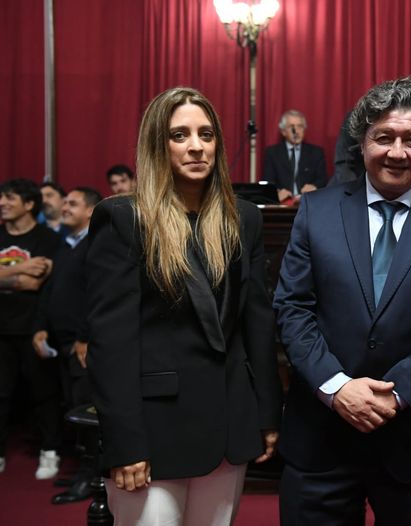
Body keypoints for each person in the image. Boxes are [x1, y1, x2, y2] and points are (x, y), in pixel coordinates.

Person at [274, 76, 411, 526]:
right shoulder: (316, 212)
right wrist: (336, 386)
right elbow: (293, 308)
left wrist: (399, 393)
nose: (396, 152)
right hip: (322, 439)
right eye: (383, 137)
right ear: (362, 141)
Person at [85, 87, 282, 525]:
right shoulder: (124, 219)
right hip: (153, 431)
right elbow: (111, 344)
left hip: (229, 423)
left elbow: (257, 322)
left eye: (206, 134)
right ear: (158, 145)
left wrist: (266, 413)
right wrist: (125, 441)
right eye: (180, 135)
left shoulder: (242, 218)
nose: (196, 146)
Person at [32, 186, 102, 504]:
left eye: (73, 204)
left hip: (84, 344)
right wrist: (40, 328)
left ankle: (92, 476)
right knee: (71, 406)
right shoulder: (65, 245)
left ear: (91, 210)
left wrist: (85, 337)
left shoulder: (98, 245)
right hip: (60, 343)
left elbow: (98, 295)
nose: (65, 207)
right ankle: (82, 469)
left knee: (88, 410)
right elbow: (50, 292)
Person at [0, 178, 63, 479]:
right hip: (1, 329)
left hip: (33, 328)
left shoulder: (48, 239)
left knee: (43, 393)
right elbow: (28, 275)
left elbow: (38, 280)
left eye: (10, 198)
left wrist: (4, 275)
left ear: (29, 204)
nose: (2, 203)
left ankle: (50, 451)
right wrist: (20, 270)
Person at [262, 110, 328, 203]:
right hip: (282, 204)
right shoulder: (272, 153)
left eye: (300, 126)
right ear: (283, 131)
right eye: (291, 127)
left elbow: (323, 180)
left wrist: (314, 187)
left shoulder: (316, 152)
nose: (296, 131)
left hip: (309, 202)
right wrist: (277, 193)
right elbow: (268, 182)